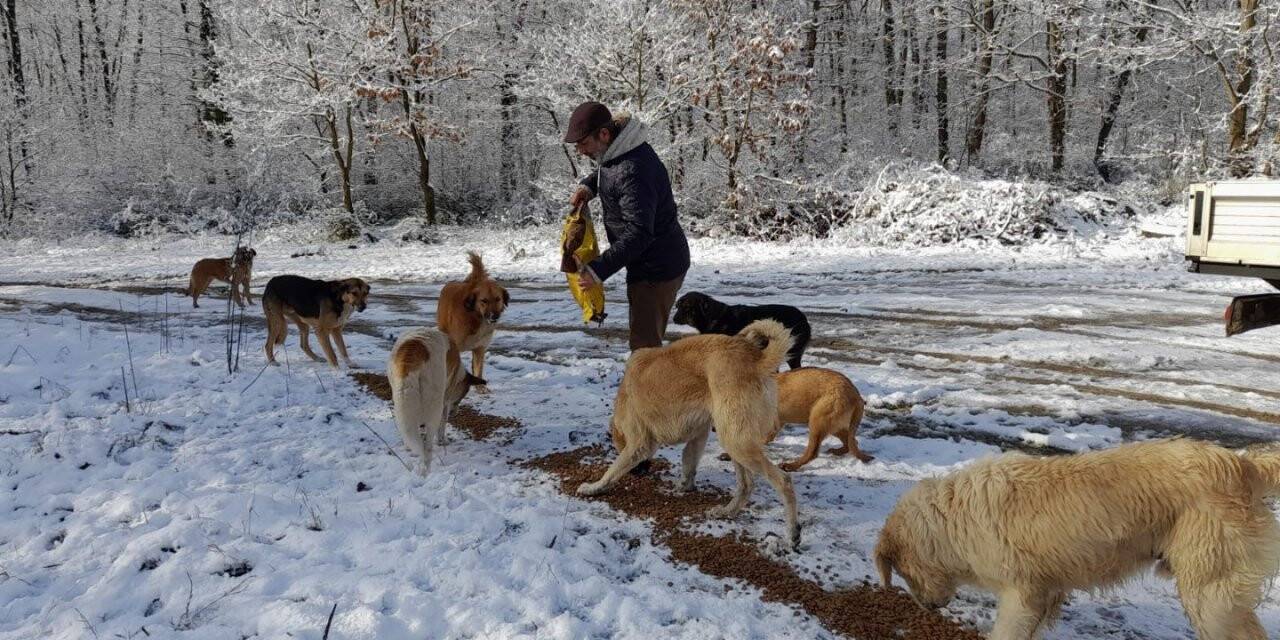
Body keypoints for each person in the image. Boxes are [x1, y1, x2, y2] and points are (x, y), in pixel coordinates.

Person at [563, 101, 690, 351]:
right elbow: (608, 171)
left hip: (656, 270)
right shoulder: (620, 150)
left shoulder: (634, 170)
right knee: (645, 347)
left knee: (645, 351)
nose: (580, 151)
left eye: (584, 144)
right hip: (654, 260)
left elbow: (639, 233)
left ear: (604, 134)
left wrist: (597, 270)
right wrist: (589, 186)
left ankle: (654, 390)